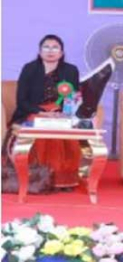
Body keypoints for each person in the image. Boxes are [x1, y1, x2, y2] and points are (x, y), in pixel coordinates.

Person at [11, 35, 81, 190]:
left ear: (61, 53)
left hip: (60, 113)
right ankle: (38, 178)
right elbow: (21, 100)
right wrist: (42, 113)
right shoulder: (29, 69)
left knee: (63, 130)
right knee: (44, 130)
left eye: (55, 47)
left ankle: (62, 180)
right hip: (33, 111)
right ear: (40, 51)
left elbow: (73, 98)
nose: (50, 51)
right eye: (46, 47)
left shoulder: (71, 70)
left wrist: (64, 112)